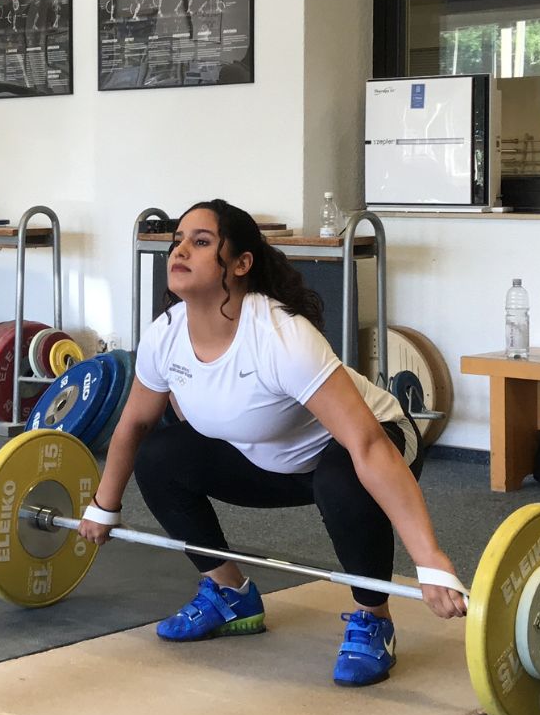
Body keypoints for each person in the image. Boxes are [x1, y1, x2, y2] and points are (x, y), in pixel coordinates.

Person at [78, 200, 467, 687]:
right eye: (178, 240)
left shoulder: (281, 336)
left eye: (201, 242)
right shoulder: (166, 335)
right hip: (267, 458)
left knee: (340, 473)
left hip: (378, 443)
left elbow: (367, 445)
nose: (180, 250)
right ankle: (230, 596)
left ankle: (374, 618)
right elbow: (134, 426)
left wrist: (430, 560)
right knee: (161, 457)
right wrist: (103, 505)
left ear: (241, 265)